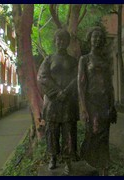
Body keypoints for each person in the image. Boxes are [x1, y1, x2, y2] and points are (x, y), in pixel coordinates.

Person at [37, 29, 79, 174]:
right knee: (52, 131)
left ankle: (67, 160)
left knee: (68, 131)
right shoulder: (49, 59)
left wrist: (66, 92)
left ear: (67, 42)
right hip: (52, 102)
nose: (61, 42)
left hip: (68, 101)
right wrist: (56, 92)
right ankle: (52, 157)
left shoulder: (73, 61)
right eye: (58, 39)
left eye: (64, 40)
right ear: (55, 41)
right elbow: (42, 77)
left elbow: (77, 78)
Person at [78, 26, 117, 176]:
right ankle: (90, 162)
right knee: (93, 133)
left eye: (100, 37)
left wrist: (113, 106)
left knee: (104, 136)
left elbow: (110, 85)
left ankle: (103, 167)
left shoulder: (106, 60)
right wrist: (83, 108)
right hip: (91, 102)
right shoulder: (85, 59)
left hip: (105, 103)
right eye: (95, 36)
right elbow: (80, 84)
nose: (98, 39)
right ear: (90, 39)